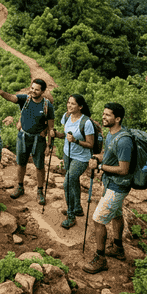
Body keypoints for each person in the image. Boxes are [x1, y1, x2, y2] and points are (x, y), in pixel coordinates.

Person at [83, 102, 132, 274]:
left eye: (108, 115)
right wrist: (98, 157)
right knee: (116, 214)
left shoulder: (124, 140)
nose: (103, 117)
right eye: (103, 114)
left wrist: (100, 167)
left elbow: (124, 169)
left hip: (118, 186)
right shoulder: (111, 134)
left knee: (98, 219)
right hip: (111, 183)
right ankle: (118, 248)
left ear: (117, 119)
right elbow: (109, 154)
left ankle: (100, 258)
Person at [0, 79, 55, 205]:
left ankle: (40, 191)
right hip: (23, 136)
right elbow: (12, 98)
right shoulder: (25, 99)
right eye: (32, 88)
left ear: (43, 91)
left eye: (37, 89)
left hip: (39, 139)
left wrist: (49, 145)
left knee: (39, 165)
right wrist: (2, 93)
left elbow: (50, 128)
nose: (33, 91)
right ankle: (20, 187)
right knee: (21, 163)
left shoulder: (47, 106)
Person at [52, 94, 94, 229]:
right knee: (73, 180)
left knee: (67, 183)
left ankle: (71, 216)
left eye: (73, 104)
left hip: (81, 158)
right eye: (68, 102)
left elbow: (91, 144)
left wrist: (76, 141)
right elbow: (65, 135)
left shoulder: (86, 122)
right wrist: (56, 134)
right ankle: (77, 207)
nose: (69, 105)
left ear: (80, 107)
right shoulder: (66, 116)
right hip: (67, 154)